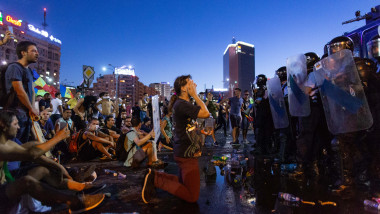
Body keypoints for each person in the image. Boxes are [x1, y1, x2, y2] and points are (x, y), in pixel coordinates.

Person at [0, 110, 105, 213]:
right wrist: (58, 138)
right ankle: (74, 202)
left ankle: (81, 187)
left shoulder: (9, 143)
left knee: (43, 169)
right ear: (3, 125)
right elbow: (32, 154)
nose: (18, 128)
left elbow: (31, 153)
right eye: (15, 124)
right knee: (26, 182)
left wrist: (58, 166)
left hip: (7, 180)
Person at [141, 75, 210, 204]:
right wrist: (195, 95)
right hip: (187, 154)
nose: (194, 85)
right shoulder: (182, 104)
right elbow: (206, 114)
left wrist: (199, 131)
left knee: (183, 182)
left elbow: (187, 126)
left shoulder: (182, 103)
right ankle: (155, 180)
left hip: (184, 151)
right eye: (191, 83)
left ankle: (153, 176)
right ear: (184, 88)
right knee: (192, 196)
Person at [4, 41, 39, 144]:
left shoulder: (29, 71)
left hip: (26, 114)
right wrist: (31, 108)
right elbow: (19, 91)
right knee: (14, 145)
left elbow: (32, 91)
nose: (37, 53)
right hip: (14, 113)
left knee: (23, 146)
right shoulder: (15, 68)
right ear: (23, 53)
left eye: (37, 51)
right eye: (33, 51)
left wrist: (32, 109)